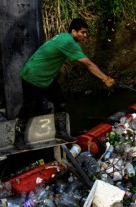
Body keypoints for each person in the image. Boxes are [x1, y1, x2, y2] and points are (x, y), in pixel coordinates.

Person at [16, 17, 115, 150]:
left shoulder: (64, 37)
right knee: (28, 107)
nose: (85, 35)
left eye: (87, 33)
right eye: (83, 32)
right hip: (33, 76)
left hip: (47, 77)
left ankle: (61, 133)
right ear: (73, 31)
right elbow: (88, 63)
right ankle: (18, 138)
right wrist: (105, 79)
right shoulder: (69, 42)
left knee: (60, 100)